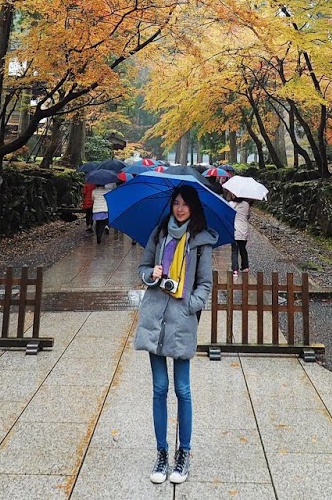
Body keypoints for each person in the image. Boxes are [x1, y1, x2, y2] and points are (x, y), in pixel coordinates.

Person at [135, 185, 215, 485]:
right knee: (159, 388)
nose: (179, 209)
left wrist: (189, 307)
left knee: (182, 389)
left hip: (181, 319)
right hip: (156, 315)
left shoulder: (201, 241)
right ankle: (161, 452)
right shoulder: (159, 234)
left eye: (185, 204)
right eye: (176, 203)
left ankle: (184, 453)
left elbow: (205, 283)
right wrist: (151, 275)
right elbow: (142, 268)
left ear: (194, 207)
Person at [226, 190, 250, 275]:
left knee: (234, 250)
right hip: (244, 229)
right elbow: (248, 216)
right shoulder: (246, 205)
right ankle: (245, 266)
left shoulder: (230, 204)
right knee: (243, 249)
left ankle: (235, 269)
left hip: (235, 229)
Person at [92, 180, 112, 244]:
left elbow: (92, 199)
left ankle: (98, 236)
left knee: (97, 223)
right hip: (104, 209)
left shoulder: (94, 191)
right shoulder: (107, 191)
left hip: (96, 209)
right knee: (103, 223)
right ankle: (100, 235)